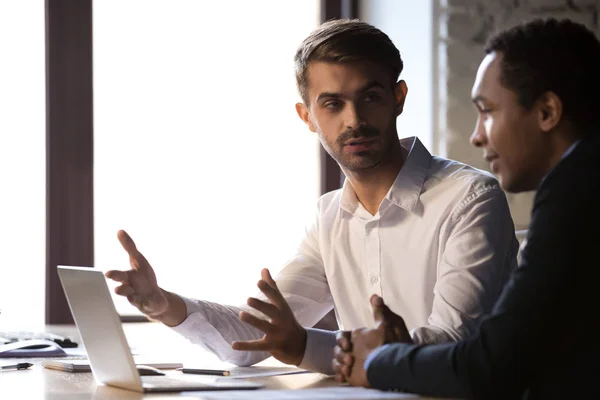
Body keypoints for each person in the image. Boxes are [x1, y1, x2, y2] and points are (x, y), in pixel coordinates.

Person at [106, 19, 518, 374]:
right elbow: (259, 335)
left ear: (398, 98)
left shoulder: (470, 199)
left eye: (370, 97)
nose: (354, 120)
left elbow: (453, 344)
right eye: (333, 104)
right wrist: (162, 304)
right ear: (307, 117)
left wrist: (307, 347)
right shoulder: (328, 218)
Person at [332, 18, 600, 399]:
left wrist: (379, 360)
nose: (476, 135)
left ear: (547, 112)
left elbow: (488, 366)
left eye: (487, 110)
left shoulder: (575, 191)